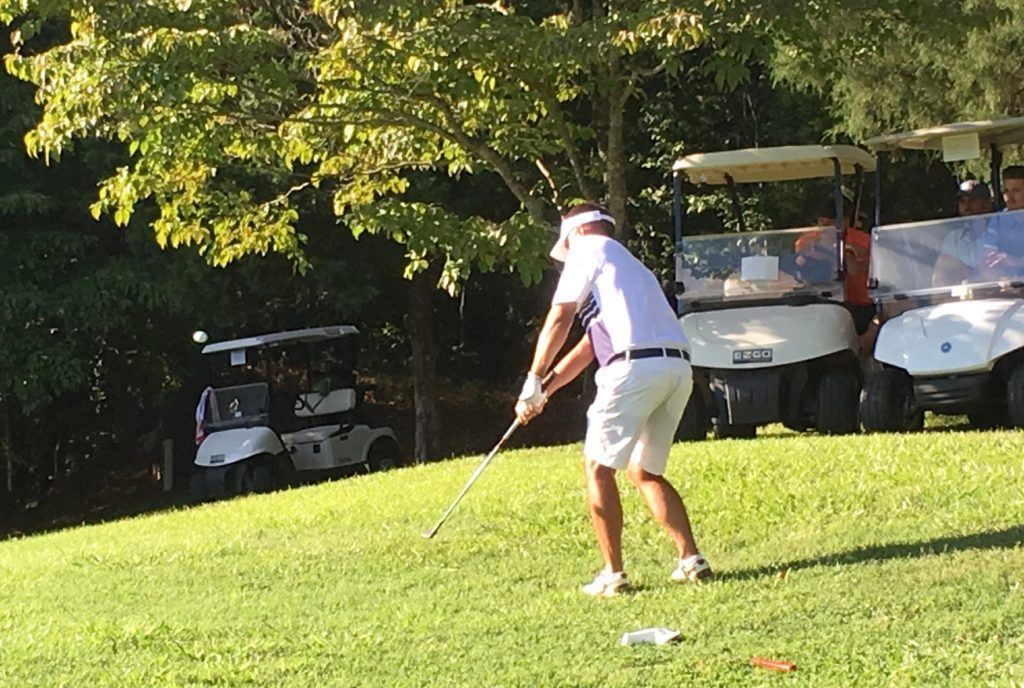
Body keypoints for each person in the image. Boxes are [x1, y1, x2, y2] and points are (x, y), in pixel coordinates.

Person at [514, 202, 711, 597]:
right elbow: (590, 345)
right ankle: (691, 559)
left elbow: (559, 316)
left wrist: (533, 377)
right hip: (676, 371)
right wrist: (544, 392)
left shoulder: (587, 249)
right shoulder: (631, 269)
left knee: (598, 469)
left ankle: (612, 574)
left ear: (576, 234)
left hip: (632, 370)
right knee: (644, 472)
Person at [795, 197, 874, 335]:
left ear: (845, 221)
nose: (824, 226)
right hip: (821, 301)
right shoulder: (806, 241)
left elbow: (855, 270)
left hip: (860, 304)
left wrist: (842, 249)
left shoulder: (864, 241)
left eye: (831, 221)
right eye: (821, 221)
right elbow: (802, 271)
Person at [932, 180, 996, 285]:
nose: (966, 206)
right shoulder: (953, 238)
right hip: (961, 295)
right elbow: (943, 275)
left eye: (972, 200)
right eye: (962, 200)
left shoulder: (999, 233)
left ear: (987, 203)